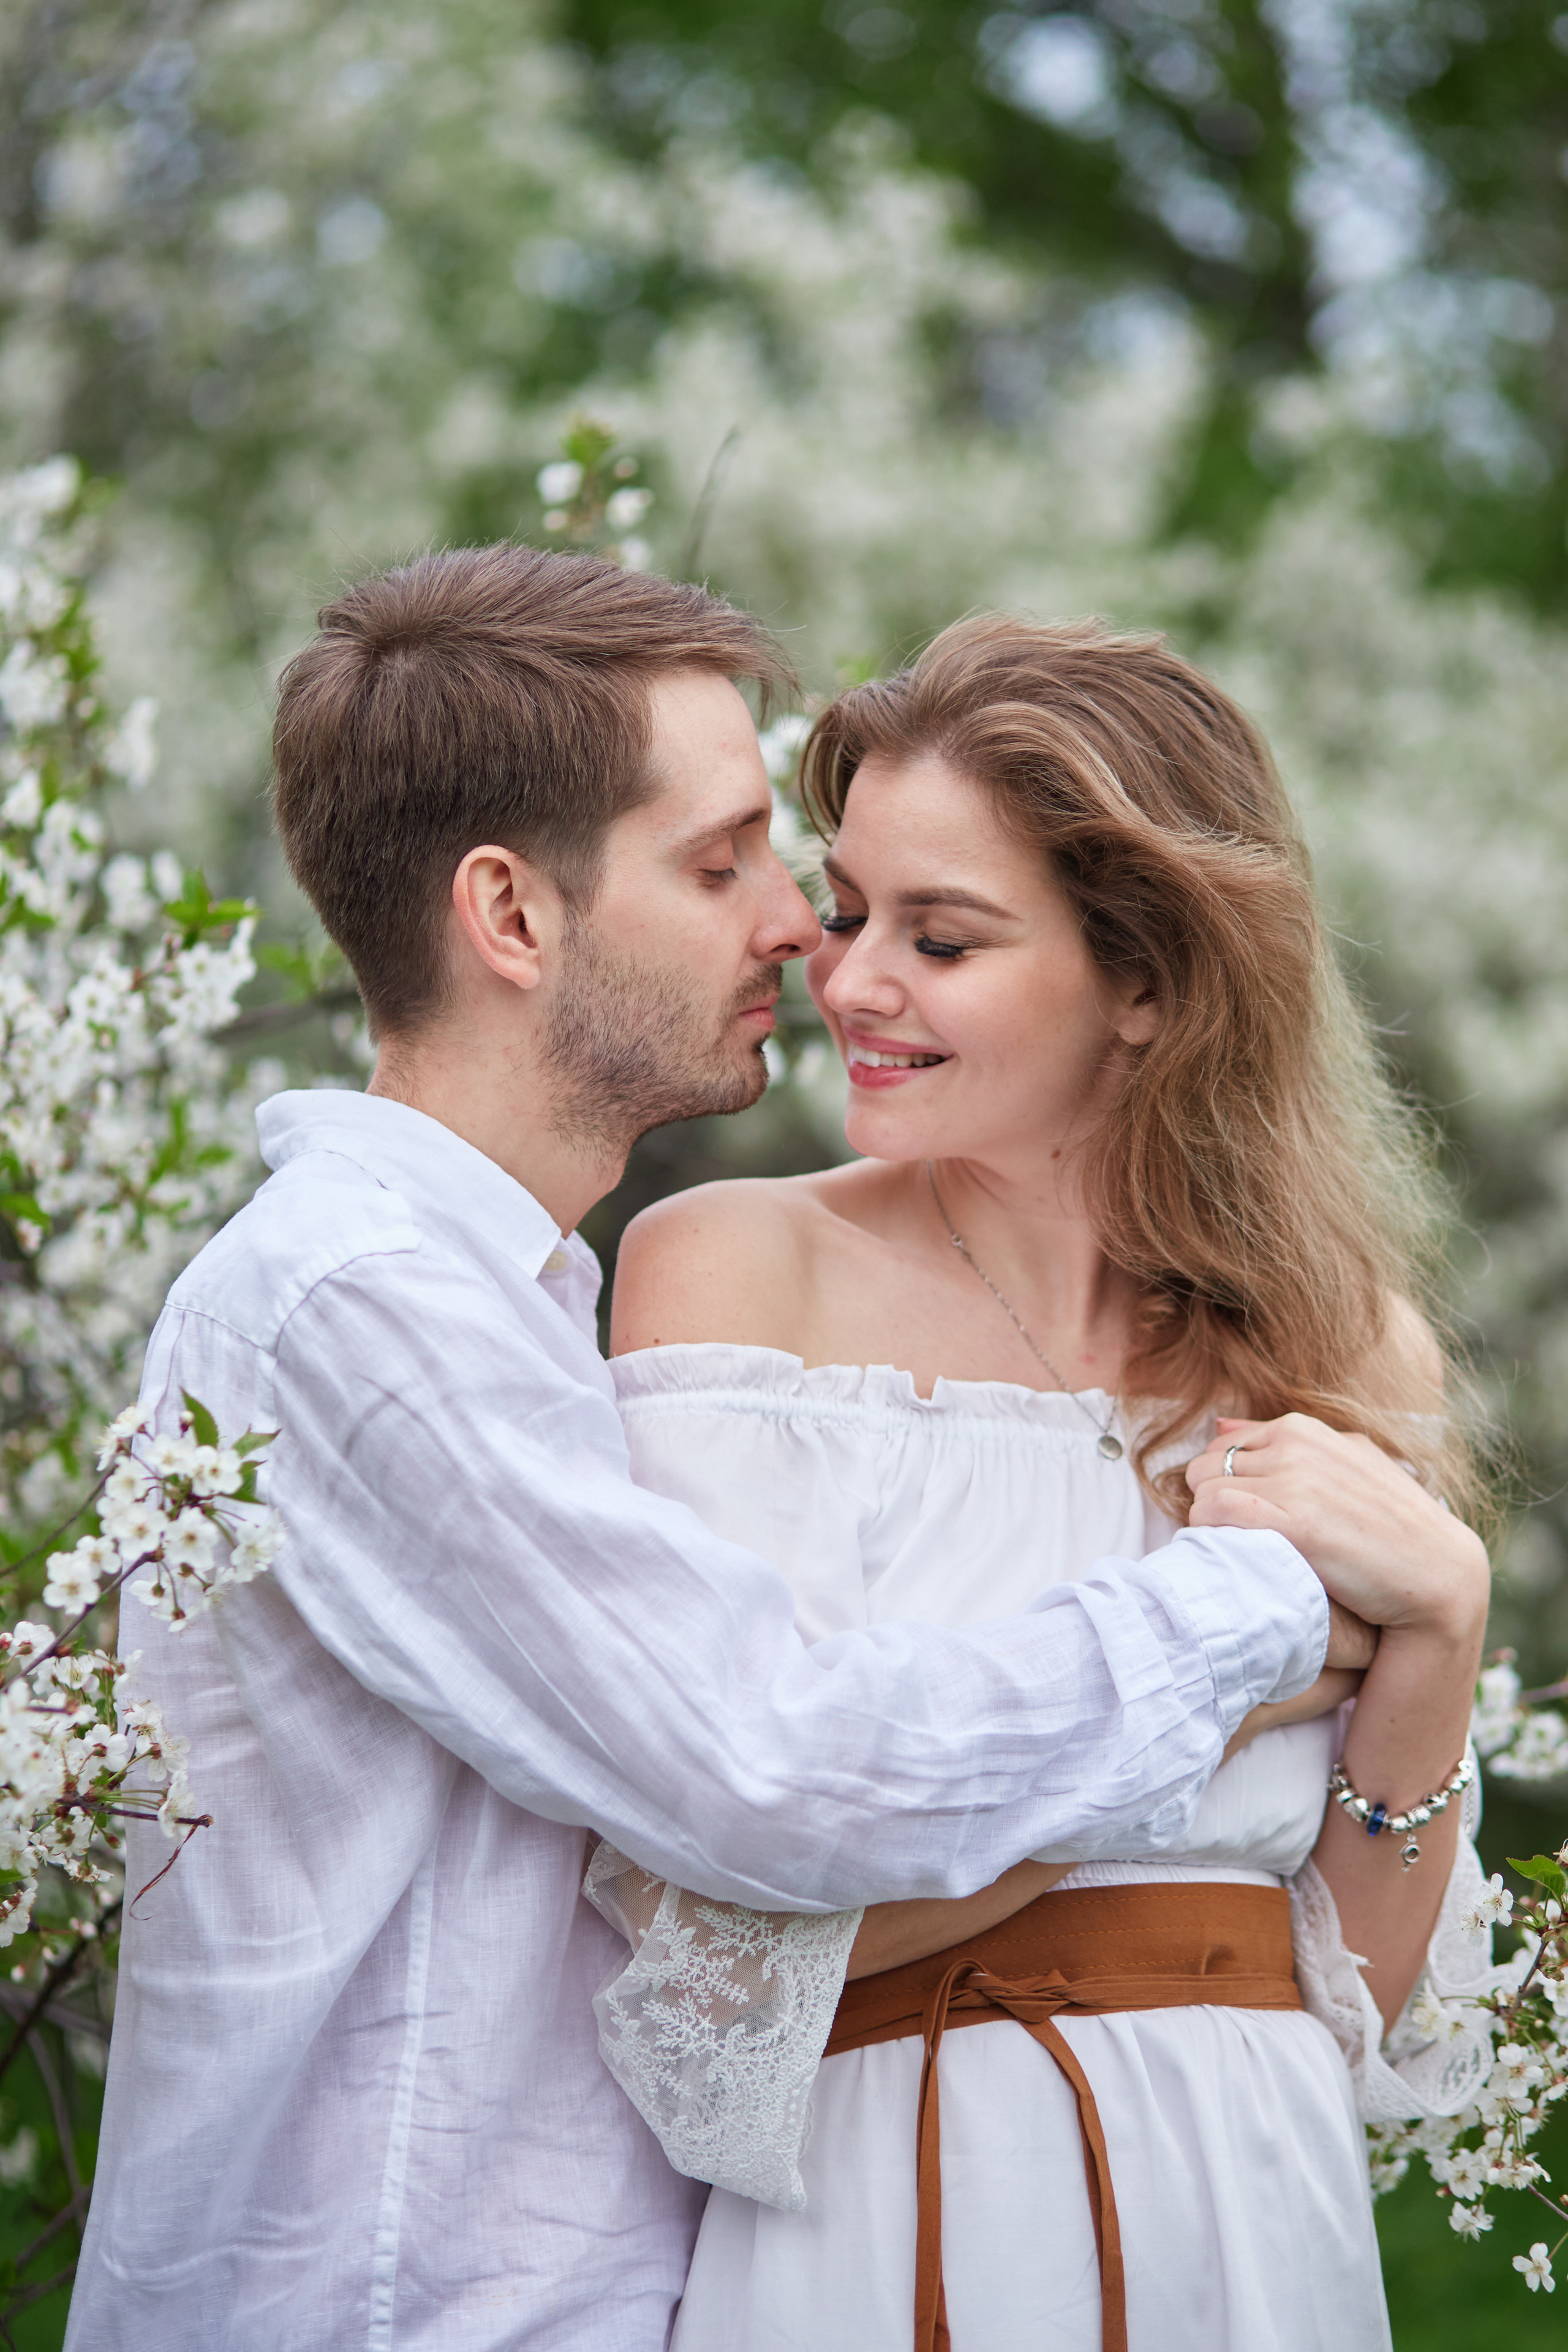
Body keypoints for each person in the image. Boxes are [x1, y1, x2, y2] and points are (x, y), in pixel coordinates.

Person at [69, 552, 1383, 2352]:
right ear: (512, 918)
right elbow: (774, 1772)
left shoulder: (503, 1308)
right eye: (722, 863)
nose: (797, 928)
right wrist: (1265, 1605)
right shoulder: (356, 1312)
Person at [589, 615, 1499, 2352]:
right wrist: (1216, 1687)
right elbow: (735, 1924)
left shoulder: (1344, 1350)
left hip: (1251, 2204)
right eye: (850, 912)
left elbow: (1362, 2005)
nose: (847, 982)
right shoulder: (730, 1272)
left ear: (1146, 981)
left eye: (943, 937)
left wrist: (1440, 1632)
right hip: (897, 2189)